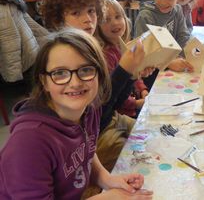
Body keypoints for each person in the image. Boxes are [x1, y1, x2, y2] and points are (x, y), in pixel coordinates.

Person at [0, 28, 153, 199]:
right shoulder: (29, 142)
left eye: (86, 70)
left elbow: (86, 151)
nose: (75, 82)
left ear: (100, 75)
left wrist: (107, 179)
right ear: (44, 82)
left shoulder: (89, 109)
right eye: (60, 73)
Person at [134, 0, 193, 89]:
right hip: (151, 75)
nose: (162, 2)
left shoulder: (177, 10)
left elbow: (183, 36)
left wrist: (180, 58)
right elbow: (142, 53)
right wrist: (169, 63)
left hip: (172, 70)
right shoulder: (146, 17)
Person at [96, 0, 149, 118]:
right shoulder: (106, 56)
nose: (114, 23)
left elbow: (134, 73)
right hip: (121, 113)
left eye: (118, 17)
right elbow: (113, 91)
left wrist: (143, 90)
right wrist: (136, 103)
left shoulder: (124, 46)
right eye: (106, 20)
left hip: (134, 104)